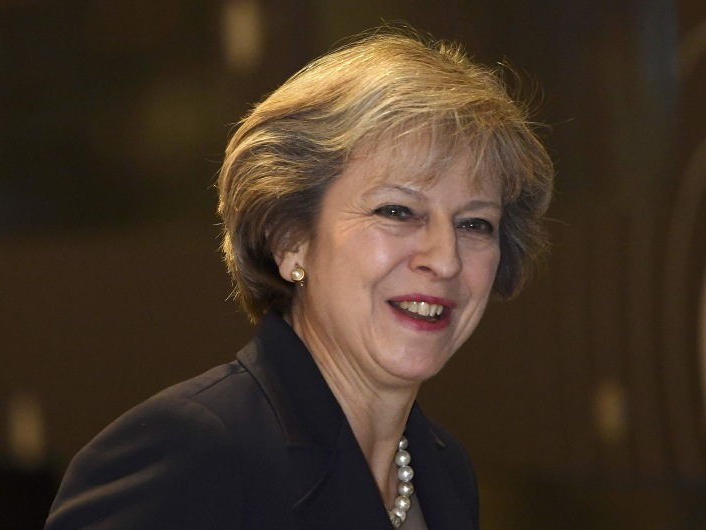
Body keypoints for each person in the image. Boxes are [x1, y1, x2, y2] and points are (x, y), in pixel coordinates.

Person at [45, 28, 553, 530]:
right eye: (397, 210)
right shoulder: (190, 457)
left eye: (474, 224)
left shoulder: (443, 471)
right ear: (289, 240)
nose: (445, 259)